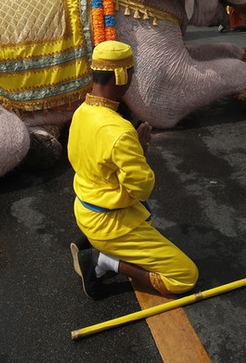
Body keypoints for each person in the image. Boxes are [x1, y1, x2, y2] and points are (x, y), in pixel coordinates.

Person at [68, 40, 198, 299]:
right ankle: (104, 261)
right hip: (110, 223)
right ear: (120, 76)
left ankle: (98, 245)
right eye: (131, 73)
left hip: (86, 208)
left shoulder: (82, 111)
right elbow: (141, 189)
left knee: (147, 221)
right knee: (185, 277)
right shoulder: (119, 131)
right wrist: (140, 149)